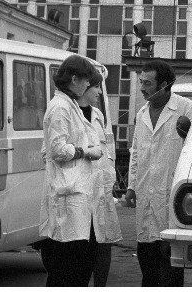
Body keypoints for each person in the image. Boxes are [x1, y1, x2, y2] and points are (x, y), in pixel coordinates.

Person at [122, 60, 192, 287]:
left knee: (170, 264)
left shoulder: (186, 109)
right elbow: (136, 152)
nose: (142, 88)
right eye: (141, 82)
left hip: (170, 195)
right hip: (146, 193)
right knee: (147, 259)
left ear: (164, 85)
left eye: (147, 83)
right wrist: (131, 186)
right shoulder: (142, 112)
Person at [39, 55, 104, 286]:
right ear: (74, 79)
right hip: (67, 195)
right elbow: (56, 150)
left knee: (80, 264)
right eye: (86, 80)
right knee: (68, 269)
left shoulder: (70, 105)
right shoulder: (59, 107)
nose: (89, 85)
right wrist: (86, 151)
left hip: (77, 193)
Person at [78, 77, 122, 287]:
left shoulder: (98, 115)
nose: (99, 92)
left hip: (101, 190)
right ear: (83, 87)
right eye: (96, 87)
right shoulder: (67, 113)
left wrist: (109, 180)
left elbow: (107, 150)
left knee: (104, 244)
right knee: (82, 251)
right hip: (79, 193)